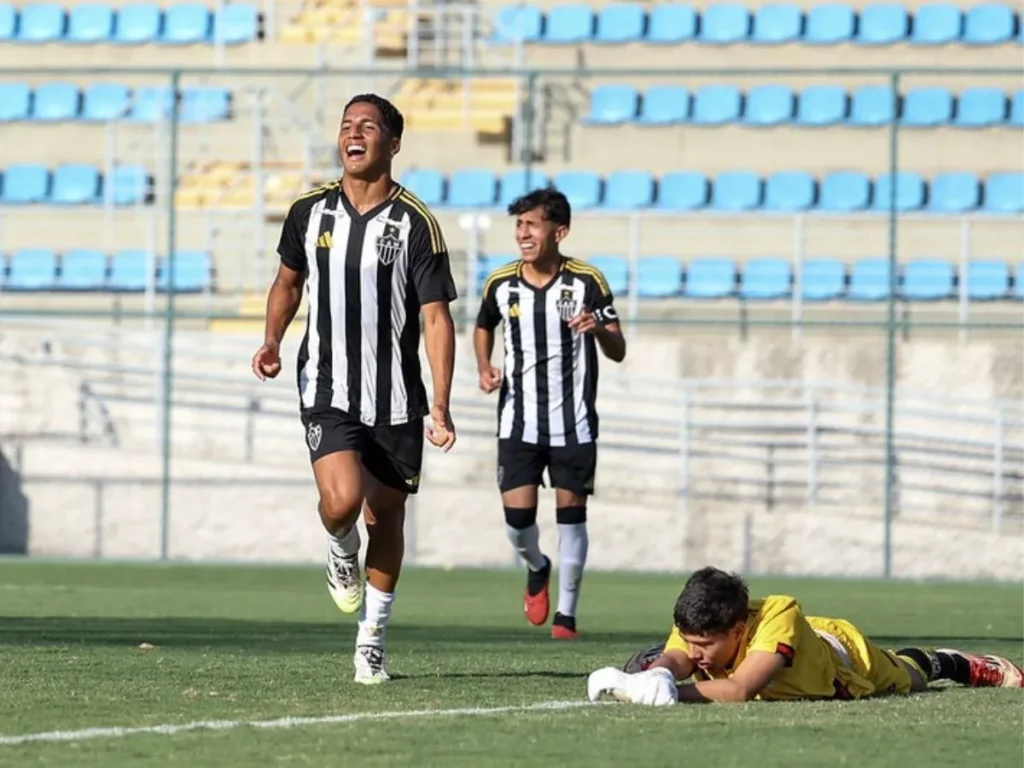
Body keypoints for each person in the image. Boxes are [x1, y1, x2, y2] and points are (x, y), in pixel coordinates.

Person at [251, 93, 458, 684]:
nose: (354, 133)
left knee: (386, 516)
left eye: (368, 125)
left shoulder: (416, 223)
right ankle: (340, 550)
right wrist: (272, 339)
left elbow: (436, 318)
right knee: (342, 504)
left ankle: (371, 642)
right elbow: (287, 283)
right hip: (327, 384)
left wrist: (440, 404)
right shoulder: (309, 212)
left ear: (393, 143)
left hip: (395, 396)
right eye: (346, 125)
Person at [474, 188, 626, 640]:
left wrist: (598, 328)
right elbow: (483, 326)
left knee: (571, 515)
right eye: (519, 225)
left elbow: (618, 349)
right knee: (518, 524)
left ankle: (566, 616)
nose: (523, 233)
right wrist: (484, 367)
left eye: (532, 225)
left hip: (573, 421)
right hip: (518, 420)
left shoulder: (587, 282)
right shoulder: (501, 283)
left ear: (559, 232)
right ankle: (537, 566)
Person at [588, 566, 1023, 706]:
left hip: (843, 660)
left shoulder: (781, 611)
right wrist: (657, 673)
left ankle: (956, 662)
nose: (695, 652)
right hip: (804, 659)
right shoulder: (699, 626)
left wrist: (673, 695)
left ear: (739, 630)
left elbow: (741, 688)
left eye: (705, 645)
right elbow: (677, 656)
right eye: (691, 641)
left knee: (912, 678)